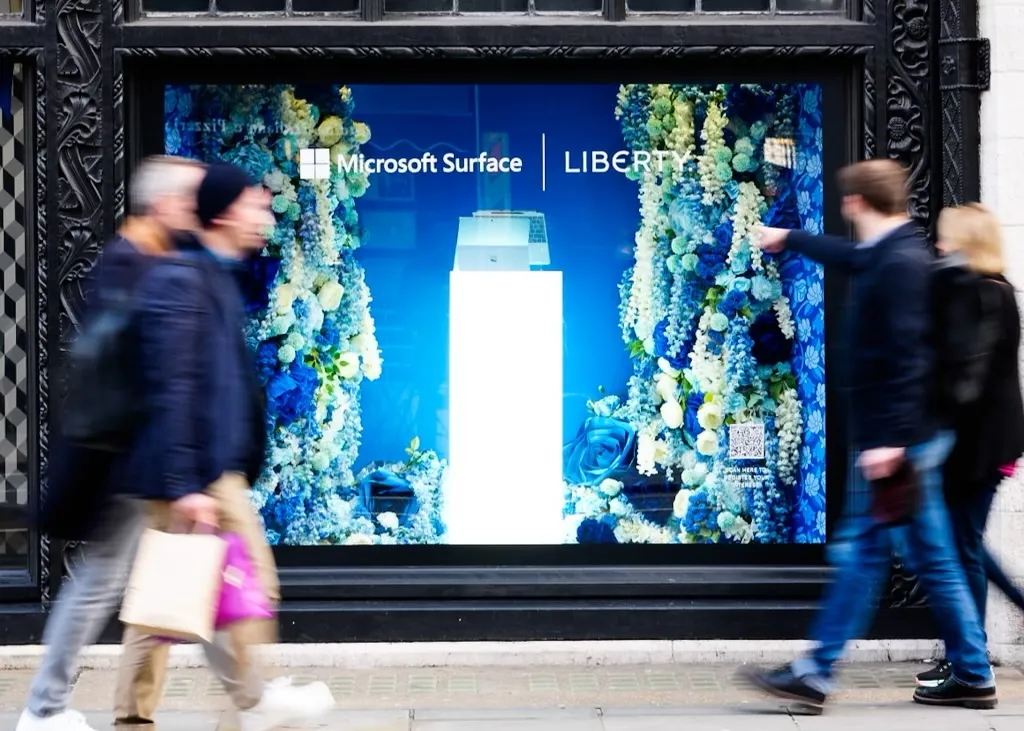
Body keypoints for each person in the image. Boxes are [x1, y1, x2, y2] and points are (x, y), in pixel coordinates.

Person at [17, 161, 334, 731]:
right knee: (173, 584)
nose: (197, 207)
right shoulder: (162, 271)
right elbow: (173, 383)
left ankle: (197, 706)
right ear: (168, 205)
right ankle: (54, 709)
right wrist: (187, 480)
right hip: (162, 462)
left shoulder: (185, 268)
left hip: (173, 462)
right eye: (191, 198)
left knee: (176, 587)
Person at [740, 160, 996, 711]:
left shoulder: (901, 263)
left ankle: (817, 671)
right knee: (928, 559)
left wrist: (890, 442)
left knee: (864, 554)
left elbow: (908, 359)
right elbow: (852, 257)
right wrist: (792, 238)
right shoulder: (895, 250)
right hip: (904, 439)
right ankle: (971, 673)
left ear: (855, 203)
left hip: (900, 442)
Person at [914, 203, 1024, 688]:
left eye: (947, 239)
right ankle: (967, 651)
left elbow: (970, 378)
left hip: (979, 447)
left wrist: (938, 433)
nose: (939, 246)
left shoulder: (986, 294)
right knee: (966, 546)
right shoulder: (993, 289)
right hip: (985, 444)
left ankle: (968, 658)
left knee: (962, 548)